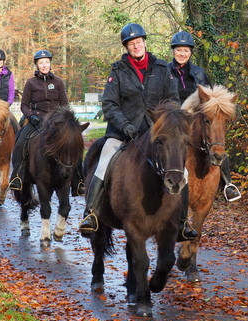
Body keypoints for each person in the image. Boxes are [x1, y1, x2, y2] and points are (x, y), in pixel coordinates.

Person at [78, 23, 197, 241]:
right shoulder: (117, 71)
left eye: (139, 42)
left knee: (183, 171)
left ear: (144, 42)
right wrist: (124, 124)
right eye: (131, 44)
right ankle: (91, 214)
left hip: (155, 132)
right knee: (104, 159)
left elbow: (172, 100)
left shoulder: (162, 69)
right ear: (127, 47)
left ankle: (182, 222)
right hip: (124, 132)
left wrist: (161, 123)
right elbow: (110, 104)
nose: (136, 46)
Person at [168, 31, 241, 202]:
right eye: (179, 50)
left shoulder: (199, 73)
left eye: (186, 51)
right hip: (174, 118)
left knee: (217, 142)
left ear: (190, 52)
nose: (182, 54)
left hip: (196, 119)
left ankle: (228, 184)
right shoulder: (165, 71)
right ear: (173, 51)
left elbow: (209, 97)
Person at [8, 50, 69, 190]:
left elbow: (65, 104)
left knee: (72, 142)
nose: (44, 65)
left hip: (56, 121)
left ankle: (78, 179)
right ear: (36, 65)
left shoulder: (58, 82)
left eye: (46, 62)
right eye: (41, 63)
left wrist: (62, 118)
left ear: (50, 63)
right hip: (37, 120)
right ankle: (16, 176)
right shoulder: (31, 83)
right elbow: (24, 105)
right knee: (21, 141)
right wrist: (31, 116)